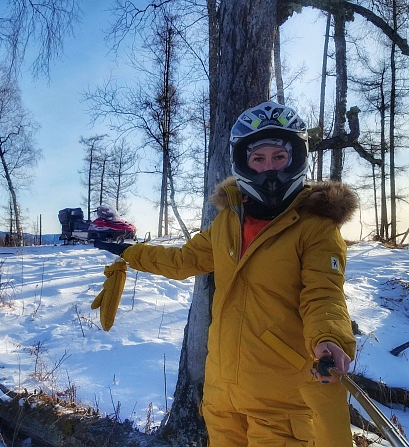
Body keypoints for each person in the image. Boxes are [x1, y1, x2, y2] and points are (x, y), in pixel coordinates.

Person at [95, 101, 358, 446]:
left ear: (296, 158)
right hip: (223, 399)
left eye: (279, 158)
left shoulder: (316, 228)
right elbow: (182, 260)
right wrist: (128, 250)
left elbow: (324, 295)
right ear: (243, 162)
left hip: (280, 403)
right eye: (258, 159)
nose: (269, 169)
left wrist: (329, 339)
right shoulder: (227, 223)